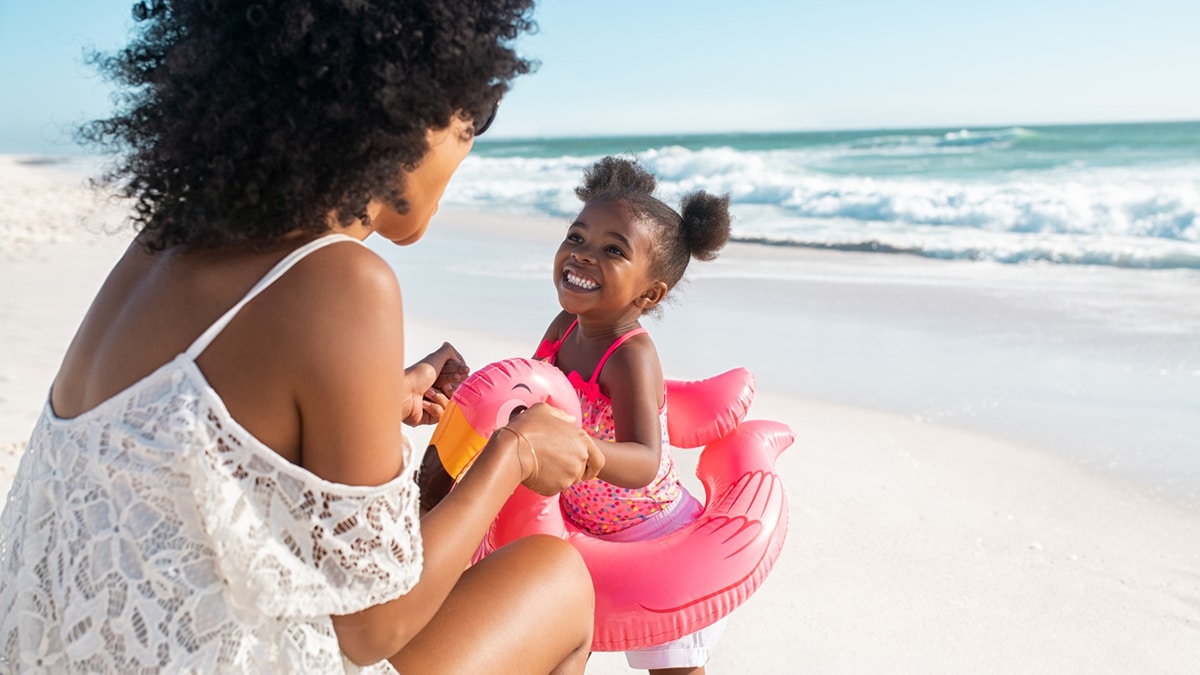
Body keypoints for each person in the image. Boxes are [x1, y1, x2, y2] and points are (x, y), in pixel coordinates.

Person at [0, 1, 605, 673]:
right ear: (406, 111)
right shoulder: (343, 282)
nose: (468, 148)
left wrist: (375, 396)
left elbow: (182, 452)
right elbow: (373, 627)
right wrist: (514, 455)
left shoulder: (163, 244)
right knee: (559, 581)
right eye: (472, 121)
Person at [532, 156, 732, 675]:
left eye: (612, 250)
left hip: (648, 533)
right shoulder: (563, 325)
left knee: (669, 664)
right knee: (556, 644)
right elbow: (532, 389)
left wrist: (582, 448)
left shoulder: (629, 356)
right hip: (578, 520)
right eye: (577, 237)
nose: (583, 255)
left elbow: (644, 460)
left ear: (648, 294)